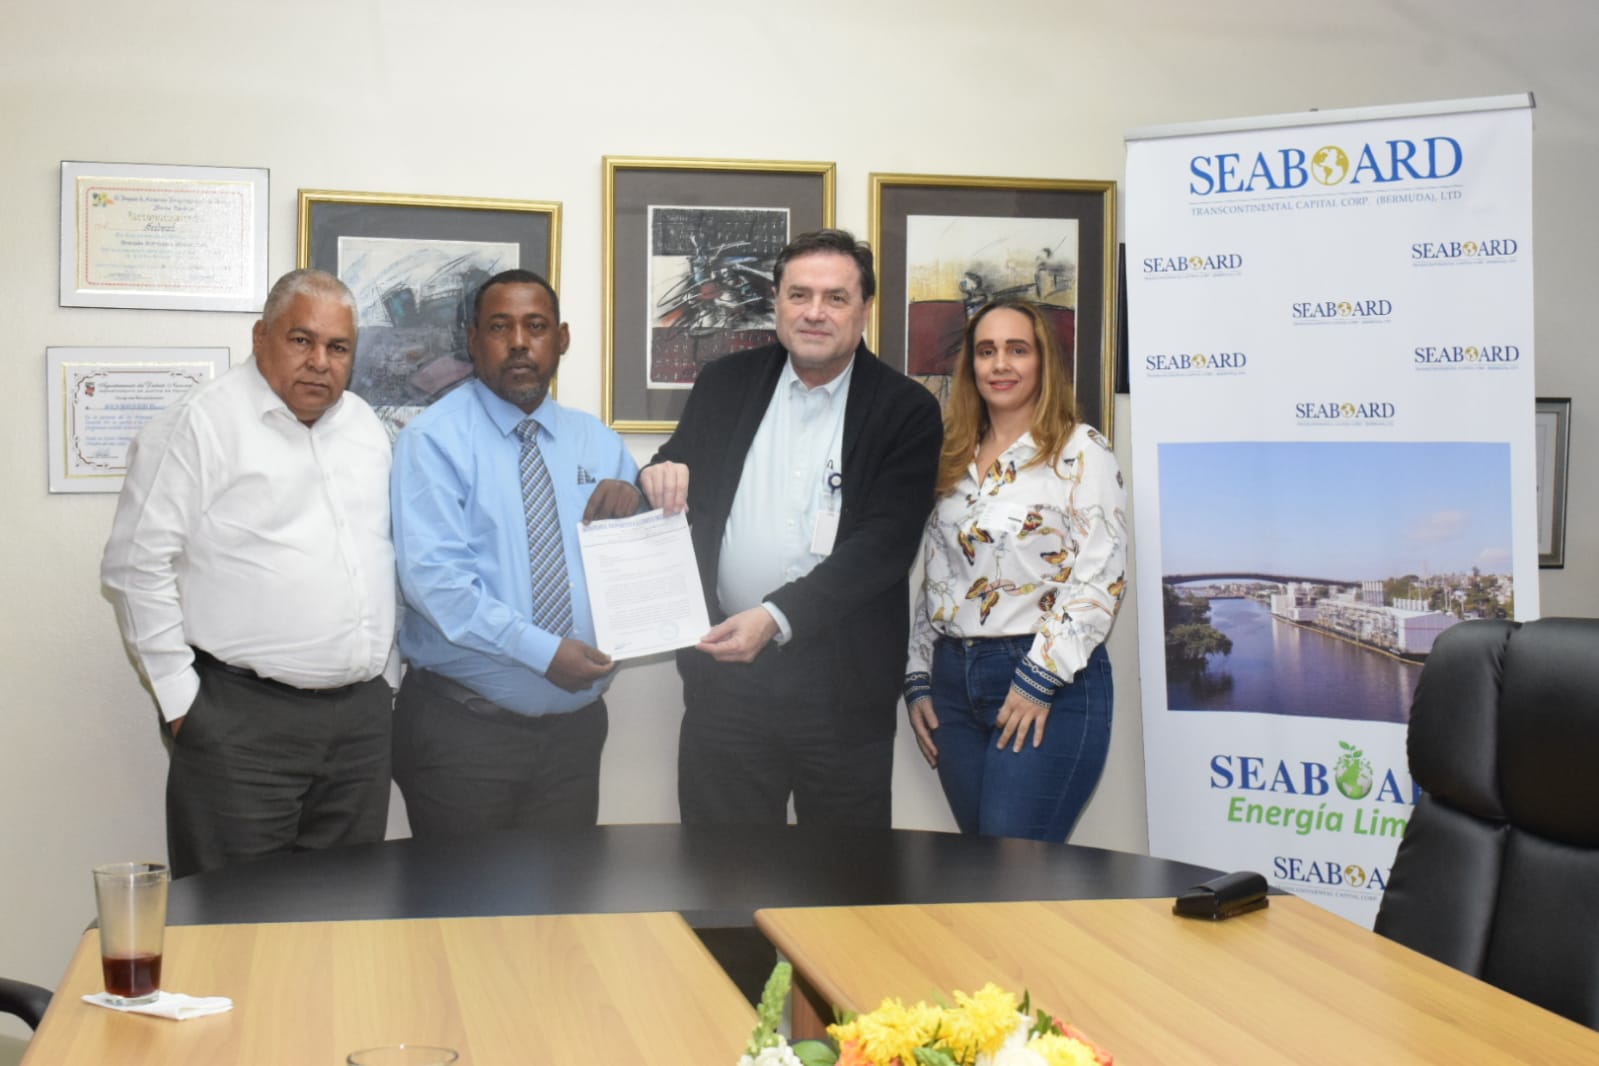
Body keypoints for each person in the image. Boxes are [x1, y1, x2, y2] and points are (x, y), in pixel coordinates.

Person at [101, 268, 399, 878]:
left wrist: (386, 679)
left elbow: (377, 554)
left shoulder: (366, 427)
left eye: (338, 347)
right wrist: (182, 705)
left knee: (347, 912)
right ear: (261, 336)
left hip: (360, 729)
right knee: (233, 918)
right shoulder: (201, 423)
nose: (320, 362)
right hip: (240, 724)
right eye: (301, 340)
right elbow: (134, 566)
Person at [641, 229, 943, 827]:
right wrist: (657, 473)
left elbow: (884, 546)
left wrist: (775, 617)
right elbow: (676, 466)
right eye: (799, 294)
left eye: (835, 297)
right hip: (726, 681)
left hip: (842, 692)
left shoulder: (907, 410)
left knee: (841, 877)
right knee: (720, 868)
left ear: (864, 309)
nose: (814, 312)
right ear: (776, 302)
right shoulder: (724, 384)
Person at [389, 269, 641, 836]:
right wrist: (545, 653)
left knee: (566, 892)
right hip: (465, 739)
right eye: (500, 327)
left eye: (537, 326)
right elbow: (436, 585)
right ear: (473, 341)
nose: (520, 343)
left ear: (563, 339)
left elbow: (632, 565)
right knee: (465, 895)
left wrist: (647, 503)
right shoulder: (433, 441)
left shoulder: (600, 443)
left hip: (573, 740)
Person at [903, 299, 1128, 842]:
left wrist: (1037, 678)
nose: (1000, 364)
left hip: (1047, 678)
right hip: (953, 682)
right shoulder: (952, 455)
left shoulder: (1080, 450)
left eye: (1017, 350)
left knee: (1014, 868)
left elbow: (1101, 577)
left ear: (1043, 361)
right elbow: (939, 575)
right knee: (982, 869)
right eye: (986, 351)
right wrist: (918, 674)